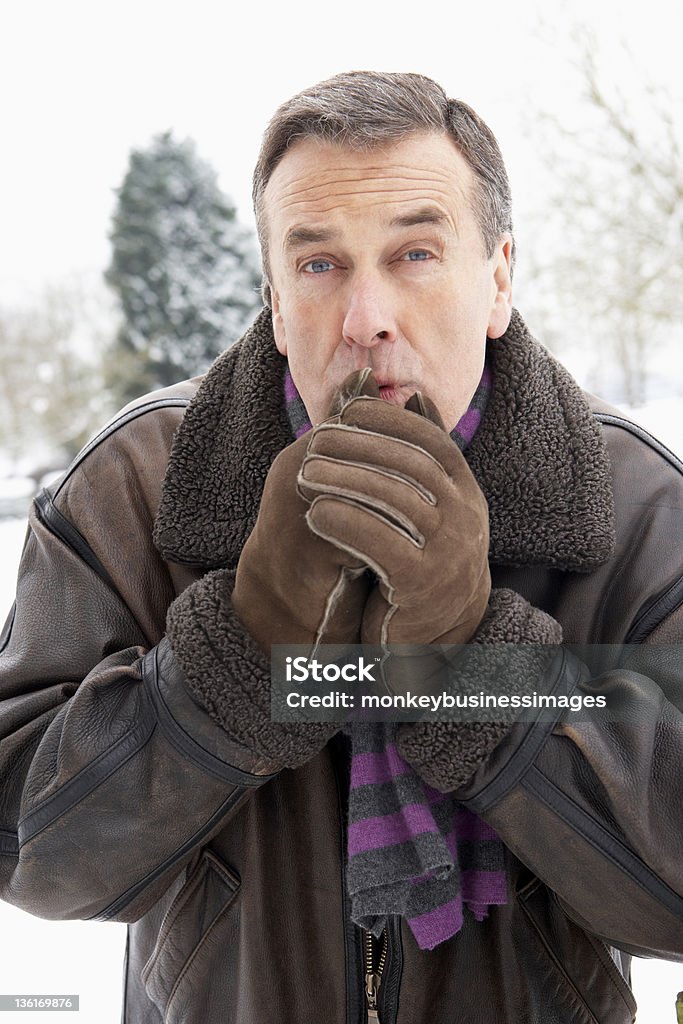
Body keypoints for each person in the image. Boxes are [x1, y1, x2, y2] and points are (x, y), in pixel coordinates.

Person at [0, 70, 681, 1024]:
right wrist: (240, 651)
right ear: (275, 300)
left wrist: (473, 662)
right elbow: (30, 856)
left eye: (412, 253)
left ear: (496, 278)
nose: (366, 320)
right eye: (318, 266)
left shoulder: (636, 504)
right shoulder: (134, 486)